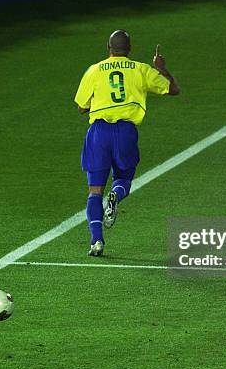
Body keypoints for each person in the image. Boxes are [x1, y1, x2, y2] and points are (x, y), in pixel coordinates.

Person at [74, 30, 179, 256]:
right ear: (129, 49)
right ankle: (116, 196)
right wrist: (160, 66)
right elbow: (172, 89)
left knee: (94, 191)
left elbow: (82, 107)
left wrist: (103, 103)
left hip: (98, 133)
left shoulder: (94, 70)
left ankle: (96, 241)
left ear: (108, 48)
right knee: (122, 179)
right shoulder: (141, 69)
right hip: (125, 132)